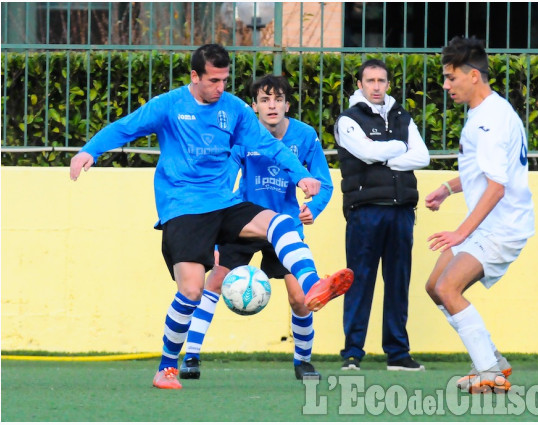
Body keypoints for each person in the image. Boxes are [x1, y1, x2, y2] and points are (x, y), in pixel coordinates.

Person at [69, 44, 353, 390]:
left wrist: (300, 175)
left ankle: (312, 285)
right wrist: (89, 151)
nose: (221, 87)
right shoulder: (170, 105)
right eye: (214, 81)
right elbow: (125, 127)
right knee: (191, 292)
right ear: (195, 77)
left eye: (225, 80)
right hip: (184, 208)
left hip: (225, 203)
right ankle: (166, 367)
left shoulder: (233, 108)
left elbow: (270, 145)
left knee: (282, 223)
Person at [179, 75, 334, 381]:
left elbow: (324, 182)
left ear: (287, 105)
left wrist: (312, 209)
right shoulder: (243, 135)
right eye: (264, 100)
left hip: (285, 227)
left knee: (299, 297)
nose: (271, 105)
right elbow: (225, 179)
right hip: (247, 222)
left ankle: (303, 361)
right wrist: (215, 220)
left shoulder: (305, 136)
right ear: (254, 107)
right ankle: (192, 356)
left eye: (278, 99)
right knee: (214, 282)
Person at [424, 36, 535, 393]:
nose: (446, 86)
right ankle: (492, 359)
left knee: (448, 288)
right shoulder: (491, 111)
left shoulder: (487, 121)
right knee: (434, 287)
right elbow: (483, 173)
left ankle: (489, 373)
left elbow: (496, 187)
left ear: (473, 76)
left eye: (450, 78)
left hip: (501, 227)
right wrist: (448, 188)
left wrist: (459, 232)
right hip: (490, 223)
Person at [335, 59, 430, 372]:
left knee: (398, 283)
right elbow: (367, 153)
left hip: (402, 210)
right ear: (360, 84)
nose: (376, 86)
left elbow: (423, 156)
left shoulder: (402, 115)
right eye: (370, 80)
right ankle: (352, 353)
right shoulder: (348, 119)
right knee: (359, 281)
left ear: (388, 83)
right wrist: (400, 149)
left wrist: (387, 156)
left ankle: (398, 354)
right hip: (366, 211)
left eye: (382, 80)